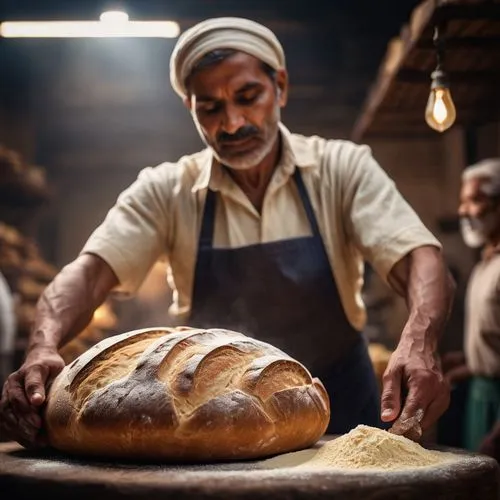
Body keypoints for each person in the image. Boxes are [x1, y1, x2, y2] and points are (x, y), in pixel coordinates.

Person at [0, 17, 454, 448]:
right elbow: (89, 273)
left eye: (248, 95)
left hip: (342, 398)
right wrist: (43, 345)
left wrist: (419, 343)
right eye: (211, 107)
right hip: (218, 413)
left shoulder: (341, 169)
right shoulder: (167, 190)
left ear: (281, 86)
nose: (232, 122)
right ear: (189, 107)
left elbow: (421, 259)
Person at [443, 158, 500, 459]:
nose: (464, 211)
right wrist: (469, 360)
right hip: (481, 397)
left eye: (475, 200)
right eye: (462, 202)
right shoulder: (484, 266)